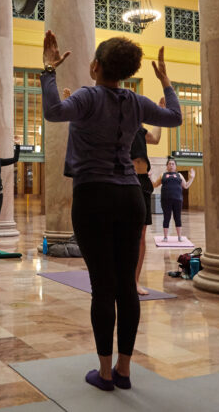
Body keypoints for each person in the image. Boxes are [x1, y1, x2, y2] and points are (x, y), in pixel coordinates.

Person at [40, 30, 181, 391]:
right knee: (126, 288)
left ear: (95, 66)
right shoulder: (135, 102)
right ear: (127, 72)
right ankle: (125, 369)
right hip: (130, 197)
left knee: (103, 287)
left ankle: (104, 373)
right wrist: (166, 82)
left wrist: (48, 70)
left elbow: (54, 111)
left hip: (93, 196)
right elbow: (175, 117)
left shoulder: (88, 96)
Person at [131, 116, 163, 296]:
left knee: (142, 234)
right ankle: (121, 279)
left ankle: (135, 280)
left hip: (142, 182)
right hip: (126, 178)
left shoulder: (140, 130)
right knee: (125, 232)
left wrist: (160, 114)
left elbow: (156, 139)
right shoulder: (118, 125)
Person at [153, 159, 195, 242]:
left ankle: (179, 237)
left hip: (177, 200)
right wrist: (150, 177)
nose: (171, 165)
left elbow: (186, 186)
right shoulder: (163, 175)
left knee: (177, 217)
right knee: (166, 217)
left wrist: (192, 178)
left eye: (173, 164)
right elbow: (155, 185)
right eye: (169, 164)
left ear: (175, 166)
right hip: (165, 200)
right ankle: (165, 237)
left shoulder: (179, 175)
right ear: (167, 166)